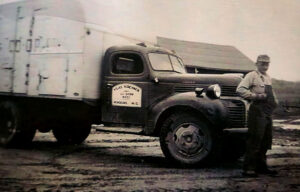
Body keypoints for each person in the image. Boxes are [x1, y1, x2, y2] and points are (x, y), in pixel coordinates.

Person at [236, 54, 278, 177]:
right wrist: (256, 96)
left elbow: (271, 94)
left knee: (265, 140)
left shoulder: (267, 77)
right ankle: (249, 169)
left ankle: (261, 167)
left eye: (267, 63)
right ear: (257, 64)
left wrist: (275, 102)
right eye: (262, 63)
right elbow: (240, 90)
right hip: (256, 111)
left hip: (267, 112)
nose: (265, 66)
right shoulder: (251, 76)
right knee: (255, 140)